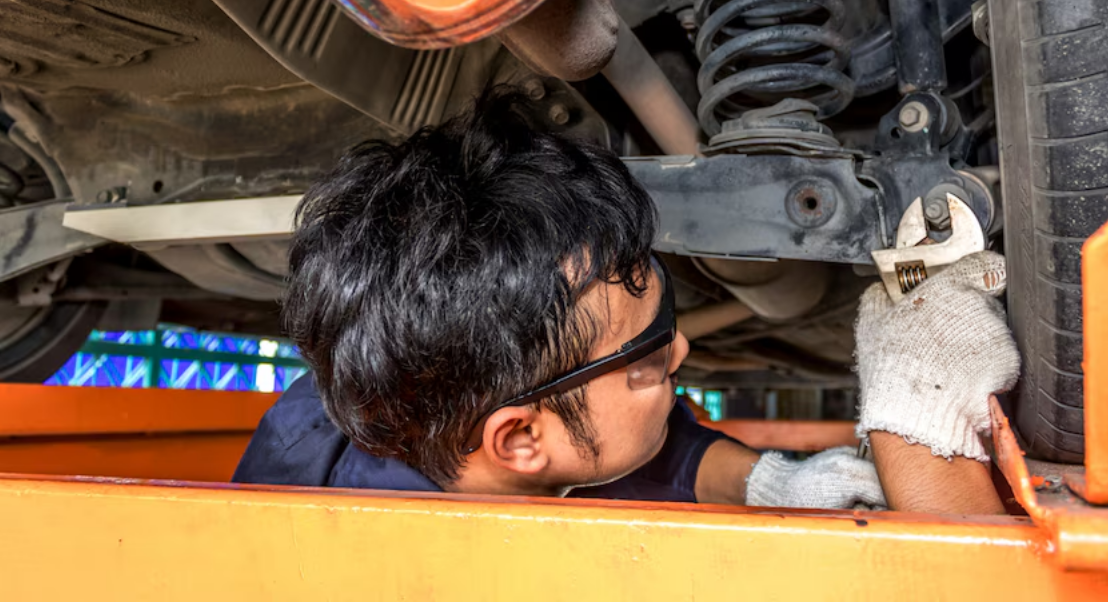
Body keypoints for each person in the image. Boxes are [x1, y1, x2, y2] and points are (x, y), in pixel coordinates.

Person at [234, 88, 1019, 513]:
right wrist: (924, 432)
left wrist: (763, 482)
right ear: (520, 439)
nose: (681, 349)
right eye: (647, 357)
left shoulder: (362, 404)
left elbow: (626, 451)